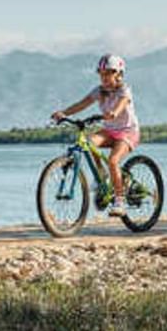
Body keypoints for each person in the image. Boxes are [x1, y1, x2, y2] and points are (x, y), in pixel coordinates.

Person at [51, 54, 140, 217]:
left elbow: (122, 103)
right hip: (110, 131)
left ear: (119, 74)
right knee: (88, 142)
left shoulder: (124, 90)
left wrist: (114, 113)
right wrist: (63, 113)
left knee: (113, 161)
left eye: (108, 73)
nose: (104, 77)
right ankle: (102, 174)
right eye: (101, 74)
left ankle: (120, 202)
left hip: (128, 132)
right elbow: (82, 104)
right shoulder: (99, 91)